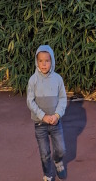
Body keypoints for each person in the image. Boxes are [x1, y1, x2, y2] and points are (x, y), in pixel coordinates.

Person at [27, 45, 67, 181]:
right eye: (41, 61)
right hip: (40, 124)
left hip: (56, 122)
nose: (44, 64)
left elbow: (62, 98)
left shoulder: (58, 79)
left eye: (47, 61)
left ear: (52, 61)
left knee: (61, 149)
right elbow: (30, 101)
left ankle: (58, 161)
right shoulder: (33, 80)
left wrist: (56, 115)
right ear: (36, 62)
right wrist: (43, 116)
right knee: (44, 153)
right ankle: (48, 174)